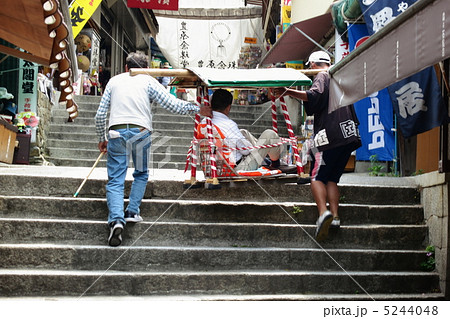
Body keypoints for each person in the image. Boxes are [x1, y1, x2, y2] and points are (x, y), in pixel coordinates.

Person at [95, 52, 212, 247]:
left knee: (115, 179)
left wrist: (102, 138)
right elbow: (173, 104)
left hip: (115, 132)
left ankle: (116, 220)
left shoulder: (114, 81)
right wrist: (197, 108)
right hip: (141, 132)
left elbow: (99, 115)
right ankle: (132, 211)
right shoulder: (149, 82)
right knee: (140, 173)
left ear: (126, 67)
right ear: (147, 69)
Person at [272, 51, 360, 242]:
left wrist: (288, 91)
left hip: (329, 135)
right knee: (332, 179)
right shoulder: (339, 77)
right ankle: (335, 217)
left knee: (317, 176)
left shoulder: (322, 75)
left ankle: (323, 213)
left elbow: (313, 96)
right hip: (348, 135)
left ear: (312, 64)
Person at [206, 89, 281, 171]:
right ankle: (275, 164)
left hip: (215, 165)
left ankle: (265, 158)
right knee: (270, 135)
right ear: (228, 107)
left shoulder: (204, 122)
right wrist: (255, 149)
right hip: (238, 168)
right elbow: (246, 150)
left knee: (243, 132)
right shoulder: (229, 125)